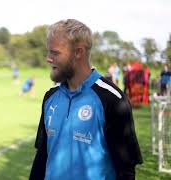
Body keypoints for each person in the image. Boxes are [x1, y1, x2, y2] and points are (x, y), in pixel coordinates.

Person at [29, 19, 142, 180]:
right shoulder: (50, 97)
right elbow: (42, 156)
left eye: (55, 52)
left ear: (78, 52)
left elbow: (126, 170)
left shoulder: (112, 99)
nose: (48, 58)